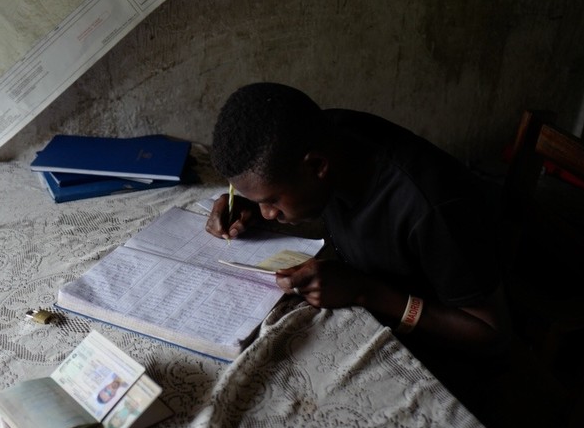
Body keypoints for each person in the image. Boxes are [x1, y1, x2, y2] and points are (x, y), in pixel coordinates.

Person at [205, 82, 510, 405]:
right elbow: (286, 180)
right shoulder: (323, 136)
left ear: (318, 167)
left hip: (442, 361)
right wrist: (249, 205)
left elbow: (492, 335)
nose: (268, 212)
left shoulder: (431, 208)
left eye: (272, 200)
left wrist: (365, 291)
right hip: (371, 312)